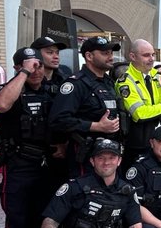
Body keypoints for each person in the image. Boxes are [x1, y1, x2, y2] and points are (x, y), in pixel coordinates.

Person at [0, 46, 56, 228]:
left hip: (46, 164)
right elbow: (2, 105)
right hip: (19, 165)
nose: (36, 70)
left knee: (43, 217)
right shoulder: (11, 89)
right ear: (18, 68)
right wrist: (23, 75)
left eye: (38, 64)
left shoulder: (52, 90)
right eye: (29, 66)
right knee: (17, 222)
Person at [48, 35, 122, 174]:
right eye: (105, 53)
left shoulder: (109, 82)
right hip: (86, 155)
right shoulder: (76, 84)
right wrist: (96, 126)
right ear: (89, 56)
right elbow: (58, 120)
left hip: (110, 152)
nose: (111, 57)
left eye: (111, 53)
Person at [116, 39, 161, 164]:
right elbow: (139, 114)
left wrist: (156, 113)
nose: (151, 59)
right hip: (139, 143)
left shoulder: (159, 77)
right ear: (132, 56)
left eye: (153, 54)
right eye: (146, 55)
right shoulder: (126, 81)